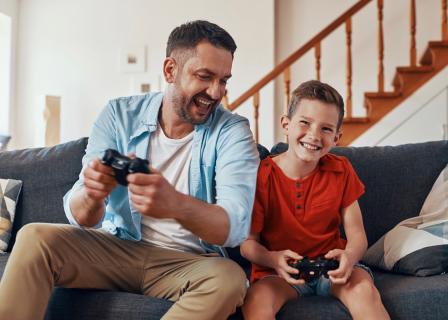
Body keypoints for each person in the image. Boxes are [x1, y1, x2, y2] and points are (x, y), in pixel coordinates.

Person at [0, 20, 259, 320]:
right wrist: (93, 195)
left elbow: (235, 226)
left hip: (188, 262)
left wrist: (175, 204)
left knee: (229, 279)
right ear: (170, 70)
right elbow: (82, 216)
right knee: (34, 237)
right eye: (205, 76)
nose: (216, 92)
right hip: (117, 248)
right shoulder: (119, 114)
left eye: (224, 80)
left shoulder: (233, 131)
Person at [240, 80, 390, 320]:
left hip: (332, 270)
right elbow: (248, 244)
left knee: (363, 290)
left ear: (337, 137)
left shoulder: (341, 169)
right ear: (286, 124)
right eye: (305, 123)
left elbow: (358, 236)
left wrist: (349, 258)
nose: (314, 135)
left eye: (326, 129)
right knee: (257, 302)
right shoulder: (262, 176)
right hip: (280, 273)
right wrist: (273, 259)